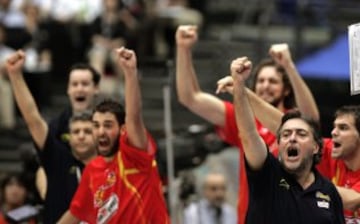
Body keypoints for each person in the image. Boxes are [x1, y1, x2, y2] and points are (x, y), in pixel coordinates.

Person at [175, 25, 319, 223]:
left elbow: (313, 120)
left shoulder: (294, 122)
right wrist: (183, 49)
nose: (265, 86)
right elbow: (189, 97)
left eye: (272, 81)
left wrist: (288, 66)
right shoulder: (244, 118)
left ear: (286, 90)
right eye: (260, 81)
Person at [58, 47, 170, 223]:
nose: (101, 131)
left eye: (108, 125)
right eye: (96, 126)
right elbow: (75, 213)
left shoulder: (135, 157)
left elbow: (134, 116)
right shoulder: (92, 170)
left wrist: (130, 72)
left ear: (122, 129)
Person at [230, 56, 344, 223]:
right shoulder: (266, 174)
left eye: (301, 134)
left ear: (316, 147)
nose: (292, 138)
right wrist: (239, 85)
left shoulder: (328, 191)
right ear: (278, 143)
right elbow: (248, 134)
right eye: (285, 134)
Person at [5, 50, 100, 223]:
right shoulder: (59, 153)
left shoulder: (109, 163)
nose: (81, 136)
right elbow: (32, 119)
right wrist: (15, 75)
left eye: (87, 131)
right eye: (76, 132)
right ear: (68, 136)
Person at [316, 105, 360, 223]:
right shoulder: (332, 152)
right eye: (334, 127)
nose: (333, 132)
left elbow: (352, 201)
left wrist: (307, 181)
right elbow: (296, 134)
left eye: (343, 128)